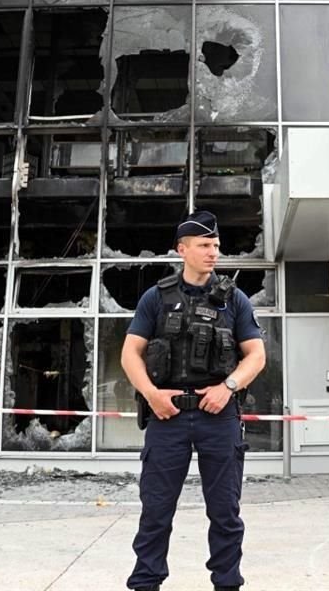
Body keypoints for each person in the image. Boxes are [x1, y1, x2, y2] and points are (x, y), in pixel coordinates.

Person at [122, 210, 266, 591]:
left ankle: (227, 584)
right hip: (166, 416)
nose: (213, 252)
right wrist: (152, 395)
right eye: (204, 245)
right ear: (181, 250)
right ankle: (146, 584)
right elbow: (129, 354)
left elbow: (256, 355)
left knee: (225, 512)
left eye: (216, 245)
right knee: (155, 510)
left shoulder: (234, 300)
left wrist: (228, 387)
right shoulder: (155, 298)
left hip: (217, 416)